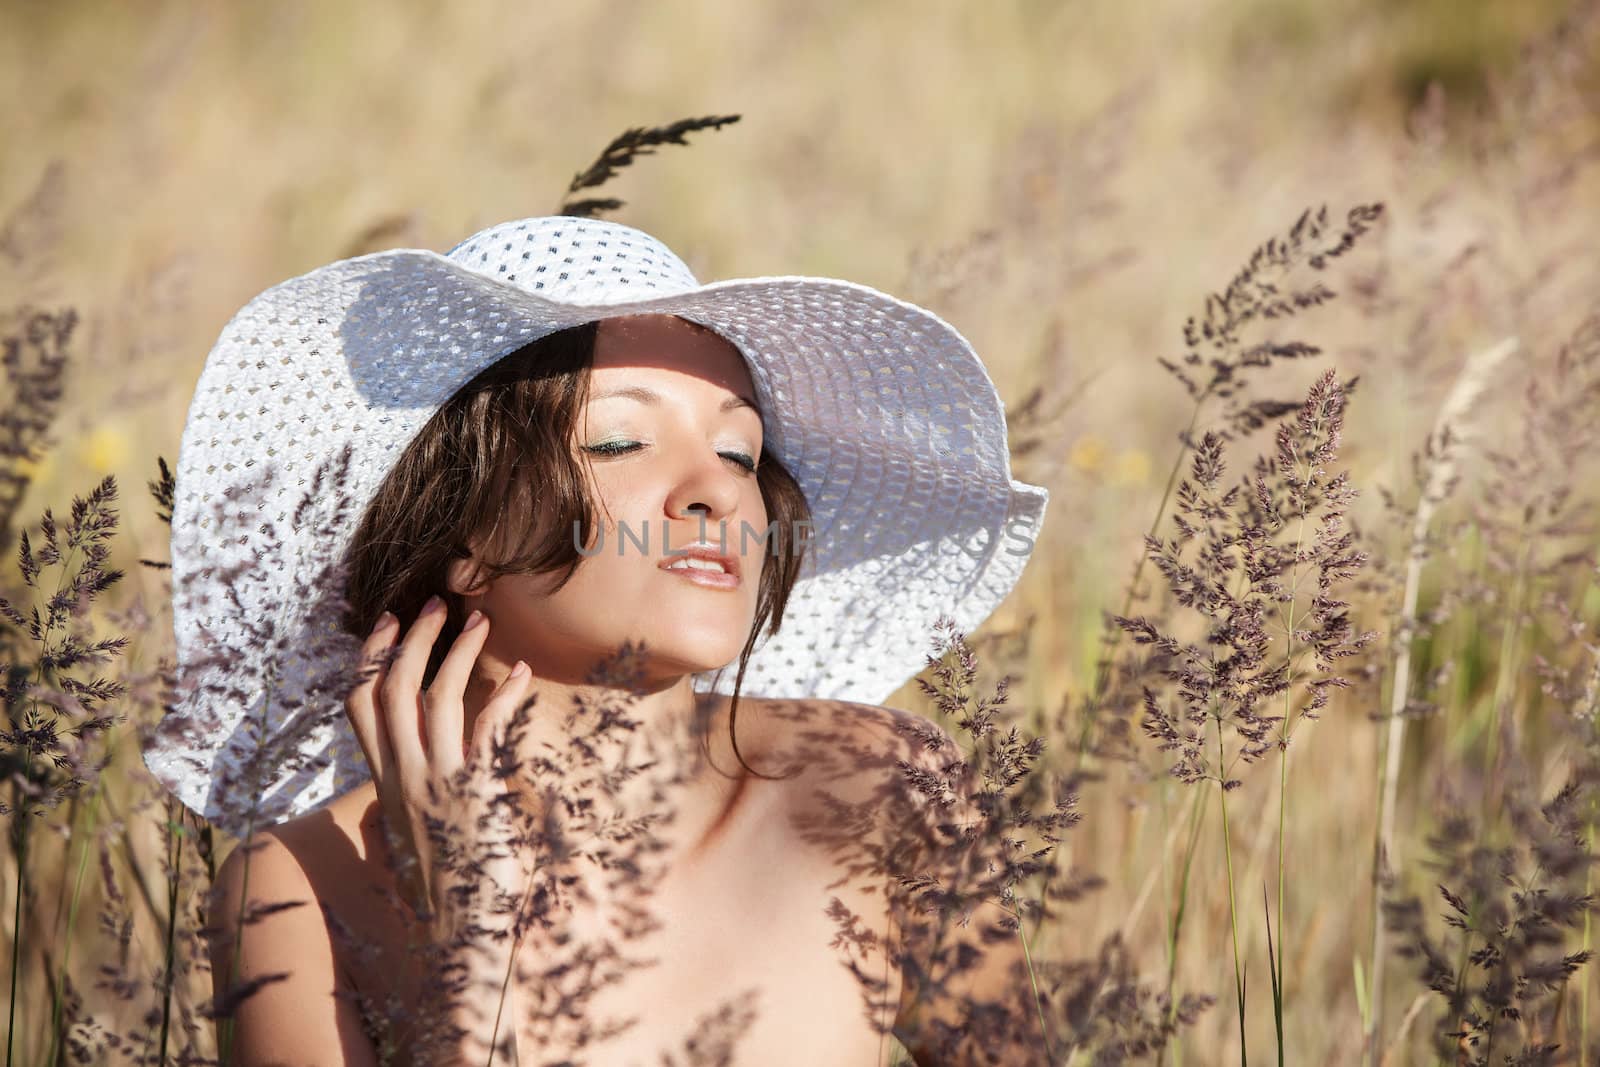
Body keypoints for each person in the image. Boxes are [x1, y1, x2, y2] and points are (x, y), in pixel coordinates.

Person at [143, 215, 1050, 1064]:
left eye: (740, 452)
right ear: (461, 536)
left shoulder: (874, 783)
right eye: (620, 441)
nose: (717, 492)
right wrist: (476, 959)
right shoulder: (306, 888)